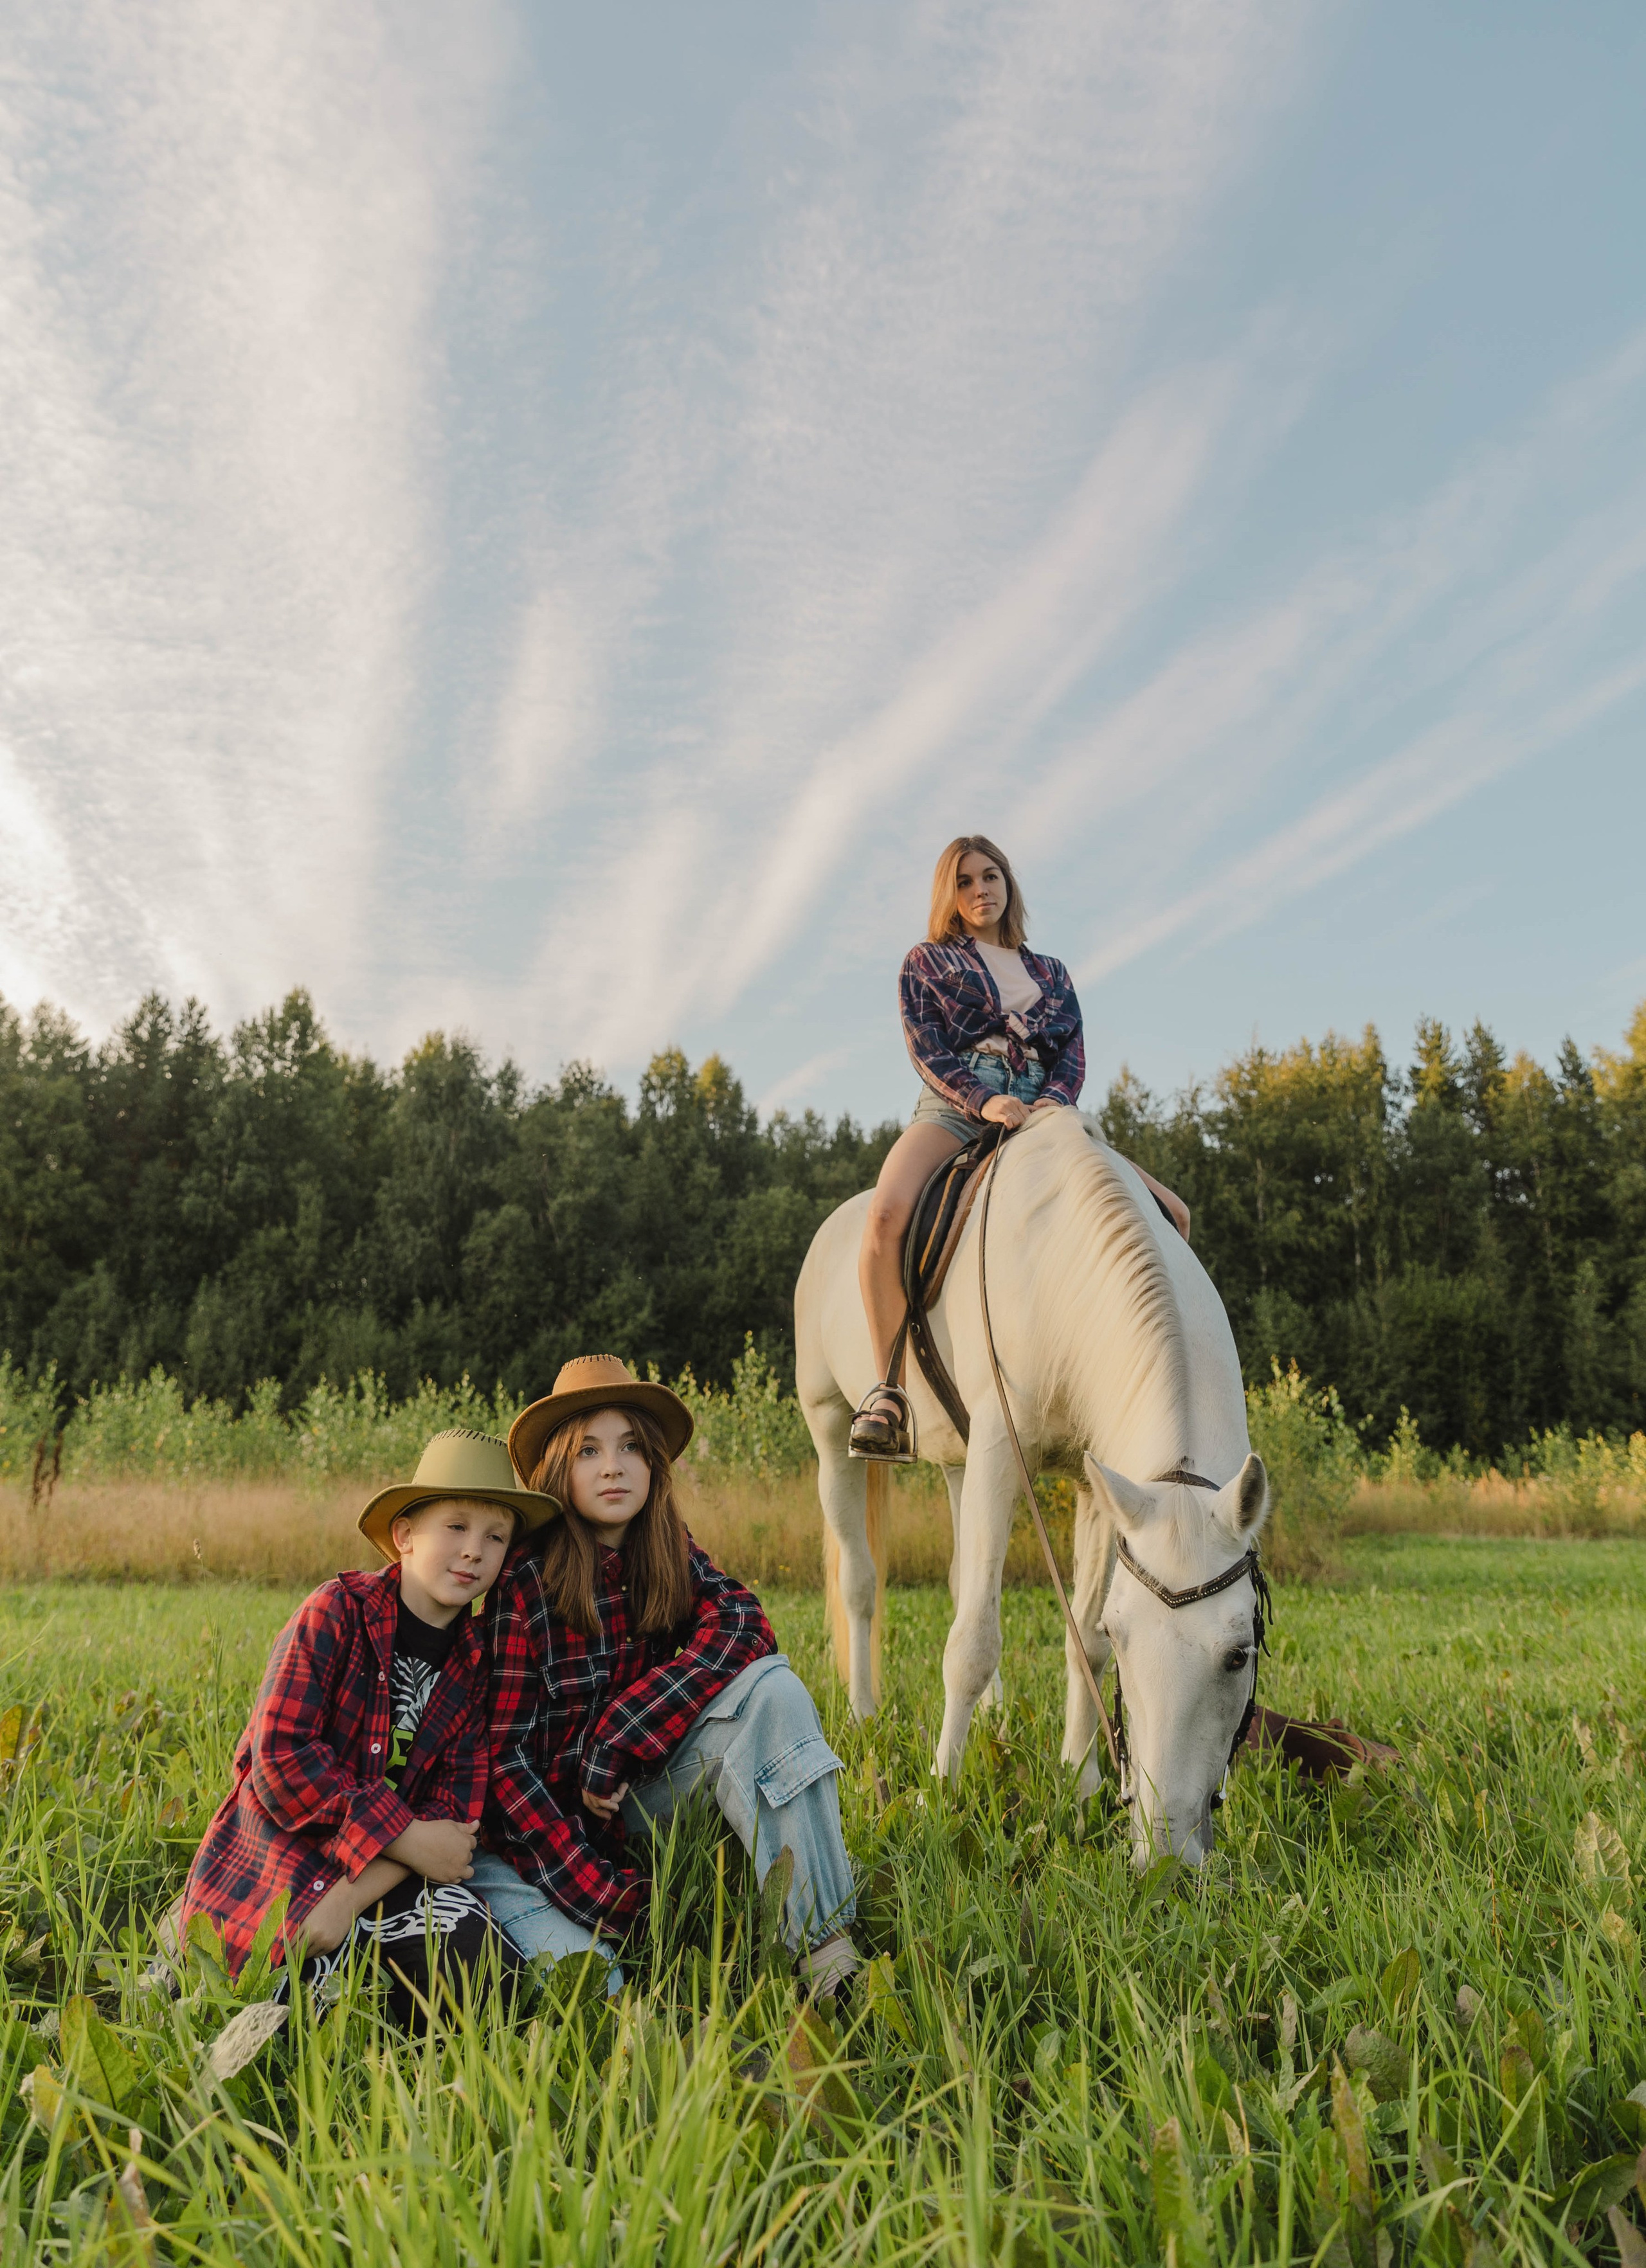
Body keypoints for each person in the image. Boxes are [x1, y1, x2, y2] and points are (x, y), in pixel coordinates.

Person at [475, 1354, 859, 2002]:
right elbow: (506, 1768)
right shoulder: (525, 1579)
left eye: (630, 1447)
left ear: (654, 1464)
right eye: (588, 1451)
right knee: (597, 1986)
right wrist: (606, 1894)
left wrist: (621, 1735)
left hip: (635, 1799)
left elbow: (743, 1623)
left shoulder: (663, 1546)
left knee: (773, 1686)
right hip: (553, 1835)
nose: (612, 1467)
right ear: (556, 1469)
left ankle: (825, 1953)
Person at [179, 1430, 556, 2026]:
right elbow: (281, 1762)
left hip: (377, 1881)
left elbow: (452, 1823)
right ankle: (198, 1961)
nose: (474, 1551)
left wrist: (349, 1902)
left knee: (493, 1979)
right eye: (455, 1527)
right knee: (267, 2005)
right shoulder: (335, 1612)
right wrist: (409, 1838)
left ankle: (381, 2011)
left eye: (495, 1537)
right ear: (405, 1536)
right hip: (283, 1854)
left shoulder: (476, 1664)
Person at [851, 834, 1191, 1461]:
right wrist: (983, 1101)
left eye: (991, 876)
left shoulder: (1050, 975)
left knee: (1173, 1212)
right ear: (949, 896)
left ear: (1008, 885)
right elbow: (927, 1049)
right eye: (965, 881)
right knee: (884, 1216)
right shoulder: (927, 962)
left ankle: (1139, 1372)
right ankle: (887, 1392)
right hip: (954, 1115)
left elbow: (1071, 1056)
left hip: (1043, 1118)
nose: (980, 889)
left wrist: (1051, 1104)